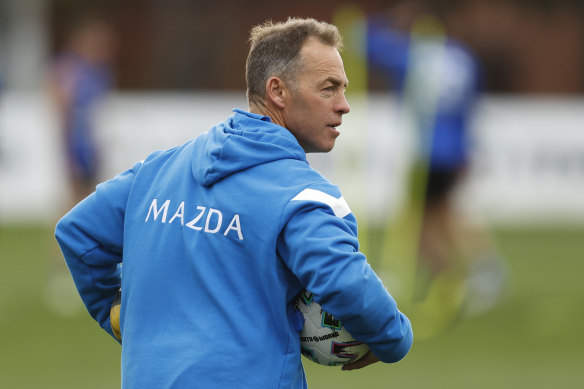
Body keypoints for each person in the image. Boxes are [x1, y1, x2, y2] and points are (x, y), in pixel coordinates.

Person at [55, 18, 413, 388]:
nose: (344, 105)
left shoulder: (159, 169)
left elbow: (79, 234)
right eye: (329, 88)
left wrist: (117, 315)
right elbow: (345, 283)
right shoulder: (304, 196)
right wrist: (394, 338)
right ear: (277, 90)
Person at [367, 1, 506, 337]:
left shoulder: (409, 54)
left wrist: (391, 19)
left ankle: (454, 280)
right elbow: (471, 105)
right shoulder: (463, 58)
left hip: (426, 148)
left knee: (422, 222)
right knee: (441, 214)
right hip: (452, 147)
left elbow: (363, 40)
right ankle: (477, 274)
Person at [48, 17, 116, 204]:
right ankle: (59, 231)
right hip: (76, 139)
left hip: (91, 138)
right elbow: (61, 103)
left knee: (91, 192)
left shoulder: (100, 72)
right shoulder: (71, 69)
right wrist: (68, 142)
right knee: (75, 192)